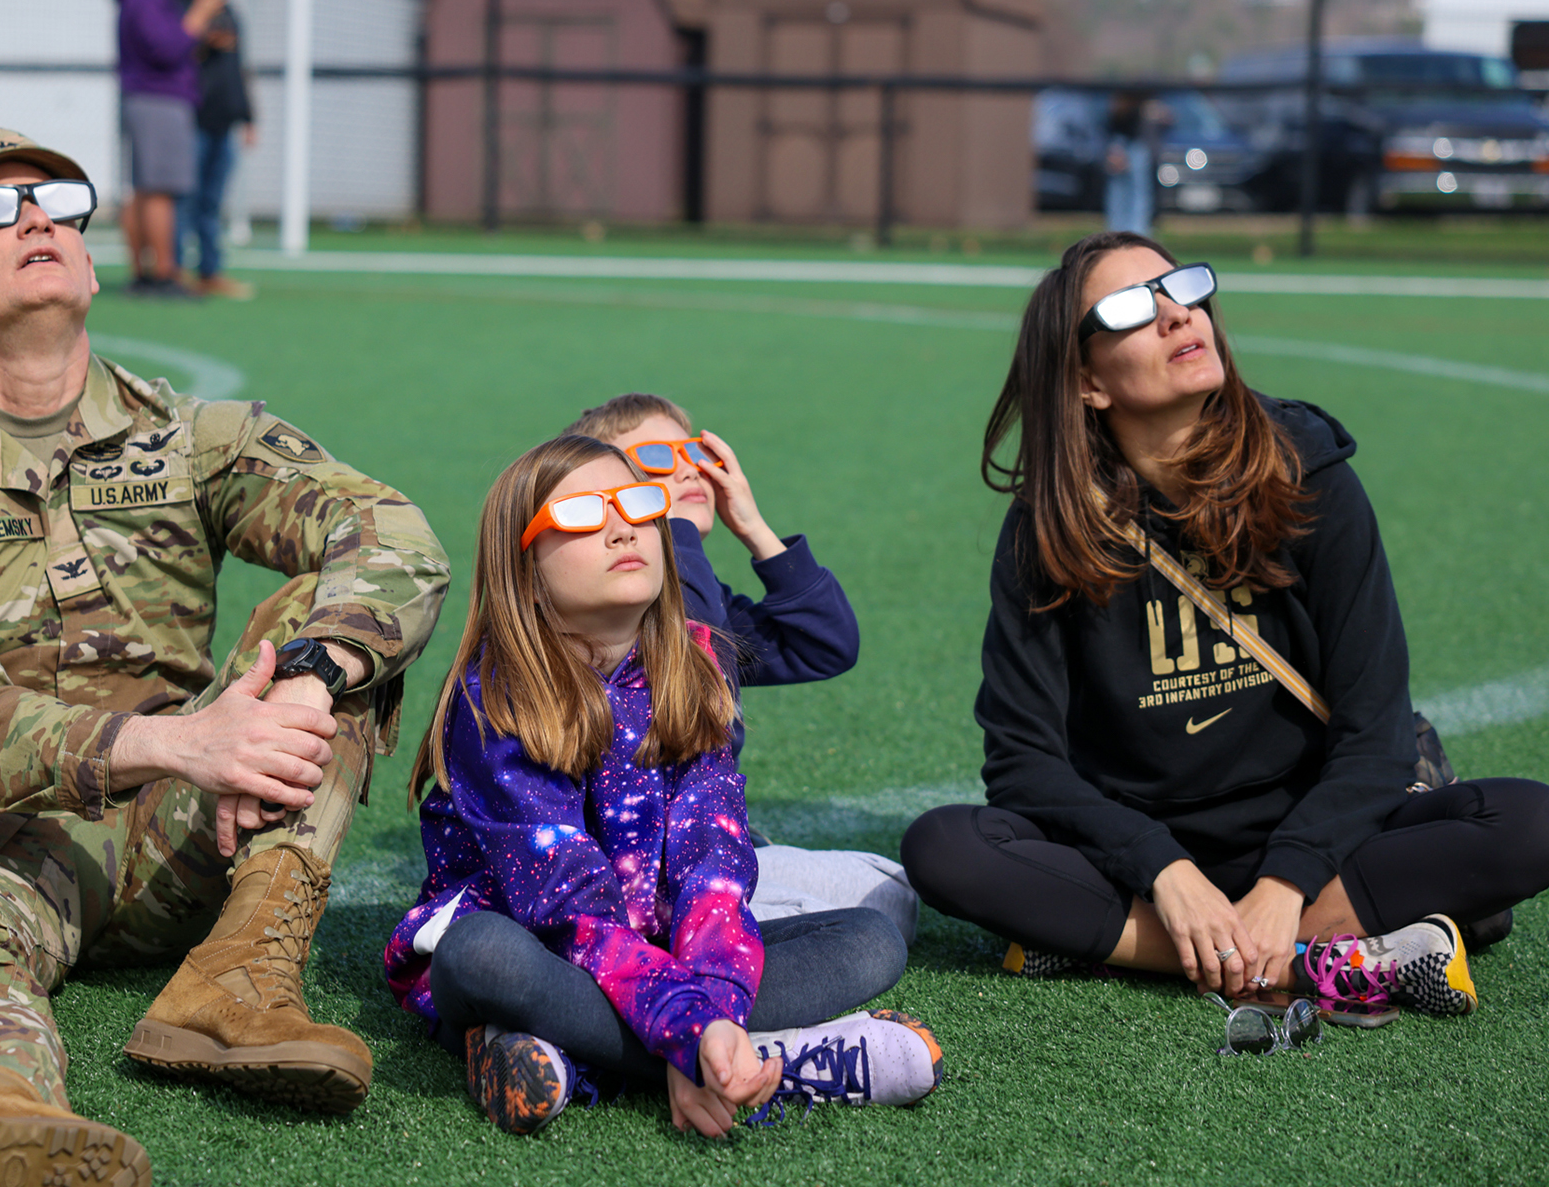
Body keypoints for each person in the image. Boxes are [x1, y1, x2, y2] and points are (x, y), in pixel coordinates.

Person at [0, 128, 449, 1187]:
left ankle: (236, 982)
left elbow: (392, 535)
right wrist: (187, 741)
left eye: (57, 199)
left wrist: (307, 679)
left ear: (86, 247)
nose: (34, 217)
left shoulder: (194, 434)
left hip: (178, 836)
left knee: (334, 626)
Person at [900, 230, 1549, 1014]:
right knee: (944, 849)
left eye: (1184, 289)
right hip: (1142, 855)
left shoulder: (1309, 477)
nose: (1178, 314)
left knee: (1529, 821)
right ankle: (1331, 956)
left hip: (1319, 833)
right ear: (1087, 382)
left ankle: (1138, 945)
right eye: (1134, 308)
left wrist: (1284, 880)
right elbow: (1023, 763)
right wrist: (1165, 871)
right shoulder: (1050, 527)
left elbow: (1374, 734)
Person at [383, 435, 939, 1139]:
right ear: (525, 574)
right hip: (545, 947)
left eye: (637, 504)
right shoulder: (495, 700)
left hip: (657, 955)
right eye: (584, 514)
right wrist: (690, 1025)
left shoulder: (693, 674)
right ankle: (781, 1061)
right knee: (481, 956)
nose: (622, 525)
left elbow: (715, 871)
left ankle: (569, 1054)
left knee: (870, 938)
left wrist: (701, 1012)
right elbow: (568, 907)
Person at [565, 394, 918, 941]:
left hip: (704, 850)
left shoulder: (706, 595)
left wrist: (751, 525)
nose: (688, 467)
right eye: (657, 457)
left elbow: (824, 645)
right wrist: (676, 531)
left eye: (697, 452)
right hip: (625, 870)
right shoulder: (600, 603)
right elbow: (694, 676)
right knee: (866, 924)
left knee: (890, 892)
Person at [116, 0, 226, 298]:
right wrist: (200, 13)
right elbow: (166, 48)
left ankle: (146, 274)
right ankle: (163, 275)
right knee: (159, 190)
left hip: (147, 98)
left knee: (145, 189)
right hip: (158, 99)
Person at [175, 0, 258, 300]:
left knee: (212, 202)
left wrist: (249, 117)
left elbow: (241, 70)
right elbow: (173, 51)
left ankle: (210, 271)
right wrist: (203, 39)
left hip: (225, 122)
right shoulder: (181, 8)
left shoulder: (231, 13)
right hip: (192, 120)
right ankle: (174, 271)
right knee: (185, 200)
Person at [1102, 91, 1156, 236]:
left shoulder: (1144, 100)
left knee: (1138, 193)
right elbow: (1107, 125)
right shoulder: (1110, 99)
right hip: (1118, 144)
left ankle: (1138, 235)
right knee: (1118, 192)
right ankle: (1117, 235)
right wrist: (1115, 149)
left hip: (1137, 146)